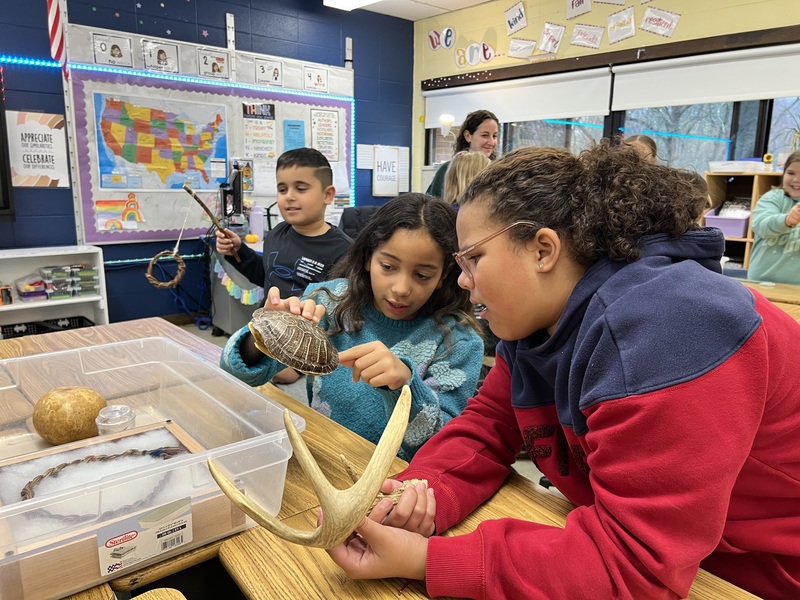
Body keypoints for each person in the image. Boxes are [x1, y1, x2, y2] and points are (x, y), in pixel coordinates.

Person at [325, 143, 800, 599]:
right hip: (680, 554)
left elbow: (633, 567)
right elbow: (488, 426)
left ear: (543, 249)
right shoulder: (535, 323)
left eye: (472, 260)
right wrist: (421, 493)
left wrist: (429, 560)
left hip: (757, 574)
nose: (463, 282)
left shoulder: (672, 327)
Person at [220, 193, 484, 459]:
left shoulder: (458, 341)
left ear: (444, 275)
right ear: (369, 258)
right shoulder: (328, 302)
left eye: (422, 275)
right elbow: (235, 372)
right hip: (325, 459)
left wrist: (405, 384)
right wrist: (268, 334)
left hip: (399, 481)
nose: (401, 288)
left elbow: (442, 445)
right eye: (388, 266)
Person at [216, 147, 352, 384]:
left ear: (328, 195)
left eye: (301, 188)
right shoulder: (277, 234)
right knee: (237, 369)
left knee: (274, 377)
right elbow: (265, 275)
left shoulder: (344, 251)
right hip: (267, 332)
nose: (289, 196)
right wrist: (239, 251)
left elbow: (343, 312)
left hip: (306, 348)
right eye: (282, 189)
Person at [747, 150, 800, 284]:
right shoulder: (773, 197)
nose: (796, 180)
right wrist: (786, 220)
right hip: (762, 283)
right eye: (790, 173)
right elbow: (760, 225)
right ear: (783, 174)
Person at [426, 109, 499, 198]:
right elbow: (431, 206)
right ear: (468, 136)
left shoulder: (499, 171)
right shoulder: (447, 169)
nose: (491, 142)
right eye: (485, 135)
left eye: (494, 136)